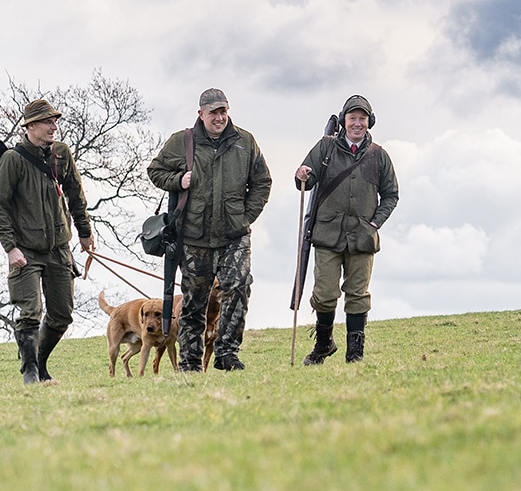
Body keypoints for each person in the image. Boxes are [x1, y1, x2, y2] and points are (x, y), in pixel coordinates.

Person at [148, 88, 272, 371]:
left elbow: (262, 182)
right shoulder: (182, 141)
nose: (219, 117)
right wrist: (179, 180)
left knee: (239, 287)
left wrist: (244, 217)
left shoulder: (245, 141)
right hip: (194, 237)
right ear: (200, 114)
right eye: (213, 112)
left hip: (234, 236)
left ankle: (227, 353)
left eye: (223, 111)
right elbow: (155, 171)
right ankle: (190, 361)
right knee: (194, 301)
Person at [0, 99, 95, 384]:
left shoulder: (62, 154)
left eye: (54, 121)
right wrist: (10, 247)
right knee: (30, 311)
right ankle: (30, 372)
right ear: (31, 126)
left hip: (60, 249)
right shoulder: (12, 160)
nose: (53, 126)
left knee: (62, 315)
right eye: (47, 121)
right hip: (25, 250)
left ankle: (39, 361)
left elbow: (76, 195)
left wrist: (84, 234)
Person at [295, 94, 399, 364]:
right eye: (352, 118)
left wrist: (375, 222)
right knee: (325, 294)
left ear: (369, 122)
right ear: (344, 120)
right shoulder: (325, 147)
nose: (357, 123)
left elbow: (391, 195)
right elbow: (306, 178)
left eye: (362, 118)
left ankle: (355, 353)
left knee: (357, 295)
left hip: (362, 237)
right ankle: (323, 344)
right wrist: (302, 174)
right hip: (327, 235)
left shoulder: (380, 156)